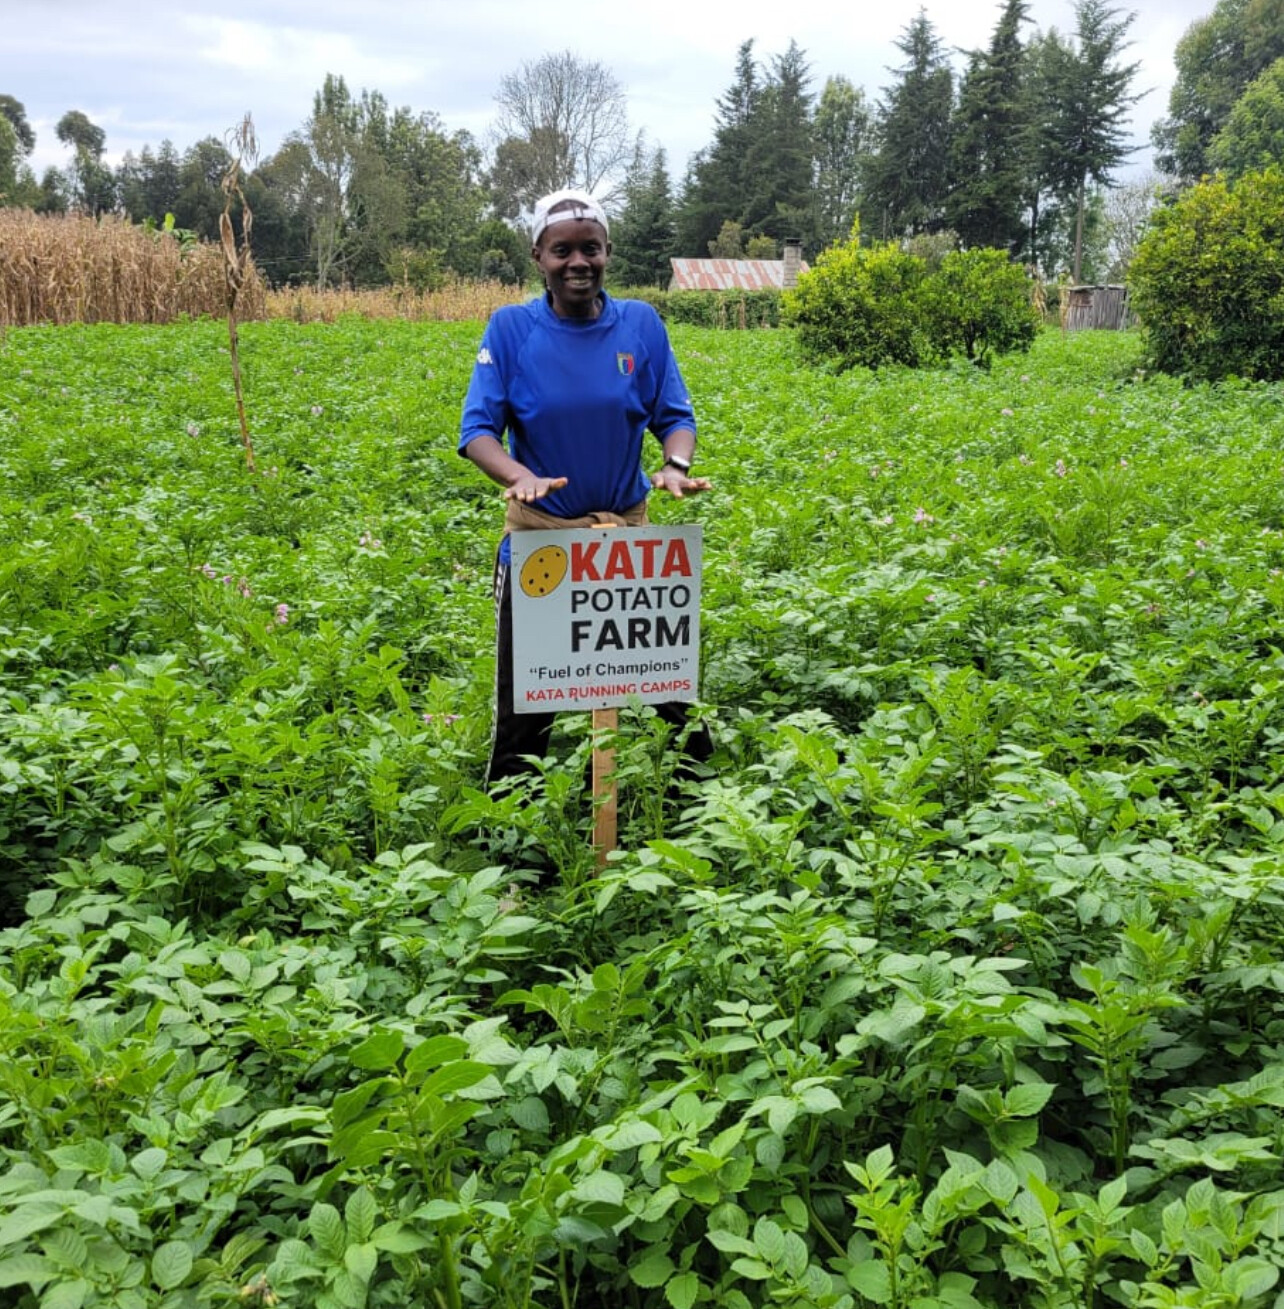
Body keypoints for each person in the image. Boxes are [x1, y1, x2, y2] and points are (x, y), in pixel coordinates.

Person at [459, 188, 713, 786]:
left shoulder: (641, 324)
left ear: (607, 252)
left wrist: (675, 466)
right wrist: (520, 476)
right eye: (562, 251)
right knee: (527, 704)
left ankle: (705, 804)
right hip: (543, 544)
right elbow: (477, 433)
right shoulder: (512, 329)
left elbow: (675, 416)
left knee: (667, 687)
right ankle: (514, 825)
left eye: (590, 249)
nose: (578, 262)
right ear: (538, 257)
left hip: (626, 547)